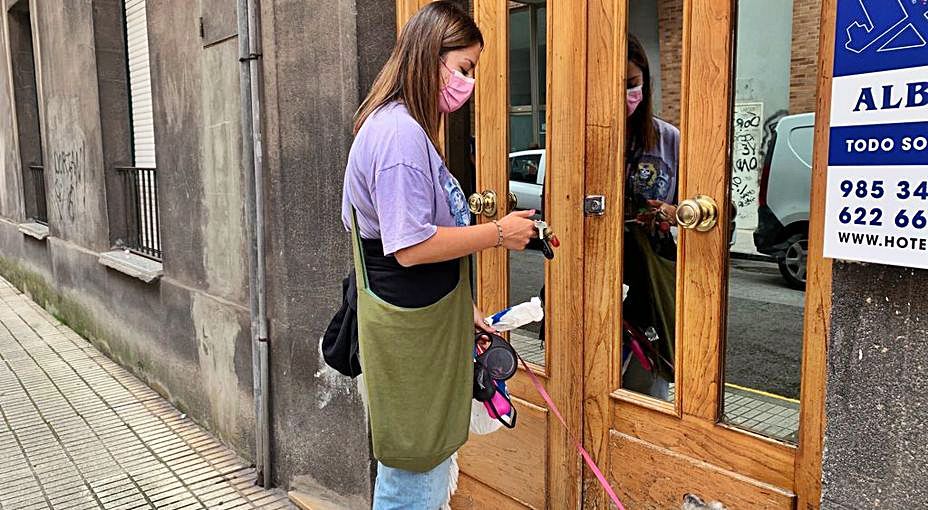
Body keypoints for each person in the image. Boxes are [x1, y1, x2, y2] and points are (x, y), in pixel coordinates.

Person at [340, 3, 537, 508]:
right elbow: (408, 248)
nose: (468, 82)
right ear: (431, 57)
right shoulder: (401, 136)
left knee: (419, 465)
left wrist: (465, 313)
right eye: (464, 68)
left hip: (423, 319)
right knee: (415, 472)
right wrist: (497, 232)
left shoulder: (400, 126)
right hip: (412, 329)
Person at [621, 35, 680, 400]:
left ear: (645, 81)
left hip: (652, 277)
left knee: (649, 388)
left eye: (631, 84)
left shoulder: (667, 139)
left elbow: (701, 209)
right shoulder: (578, 139)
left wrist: (669, 213)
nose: (626, 94)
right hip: (595, 275)